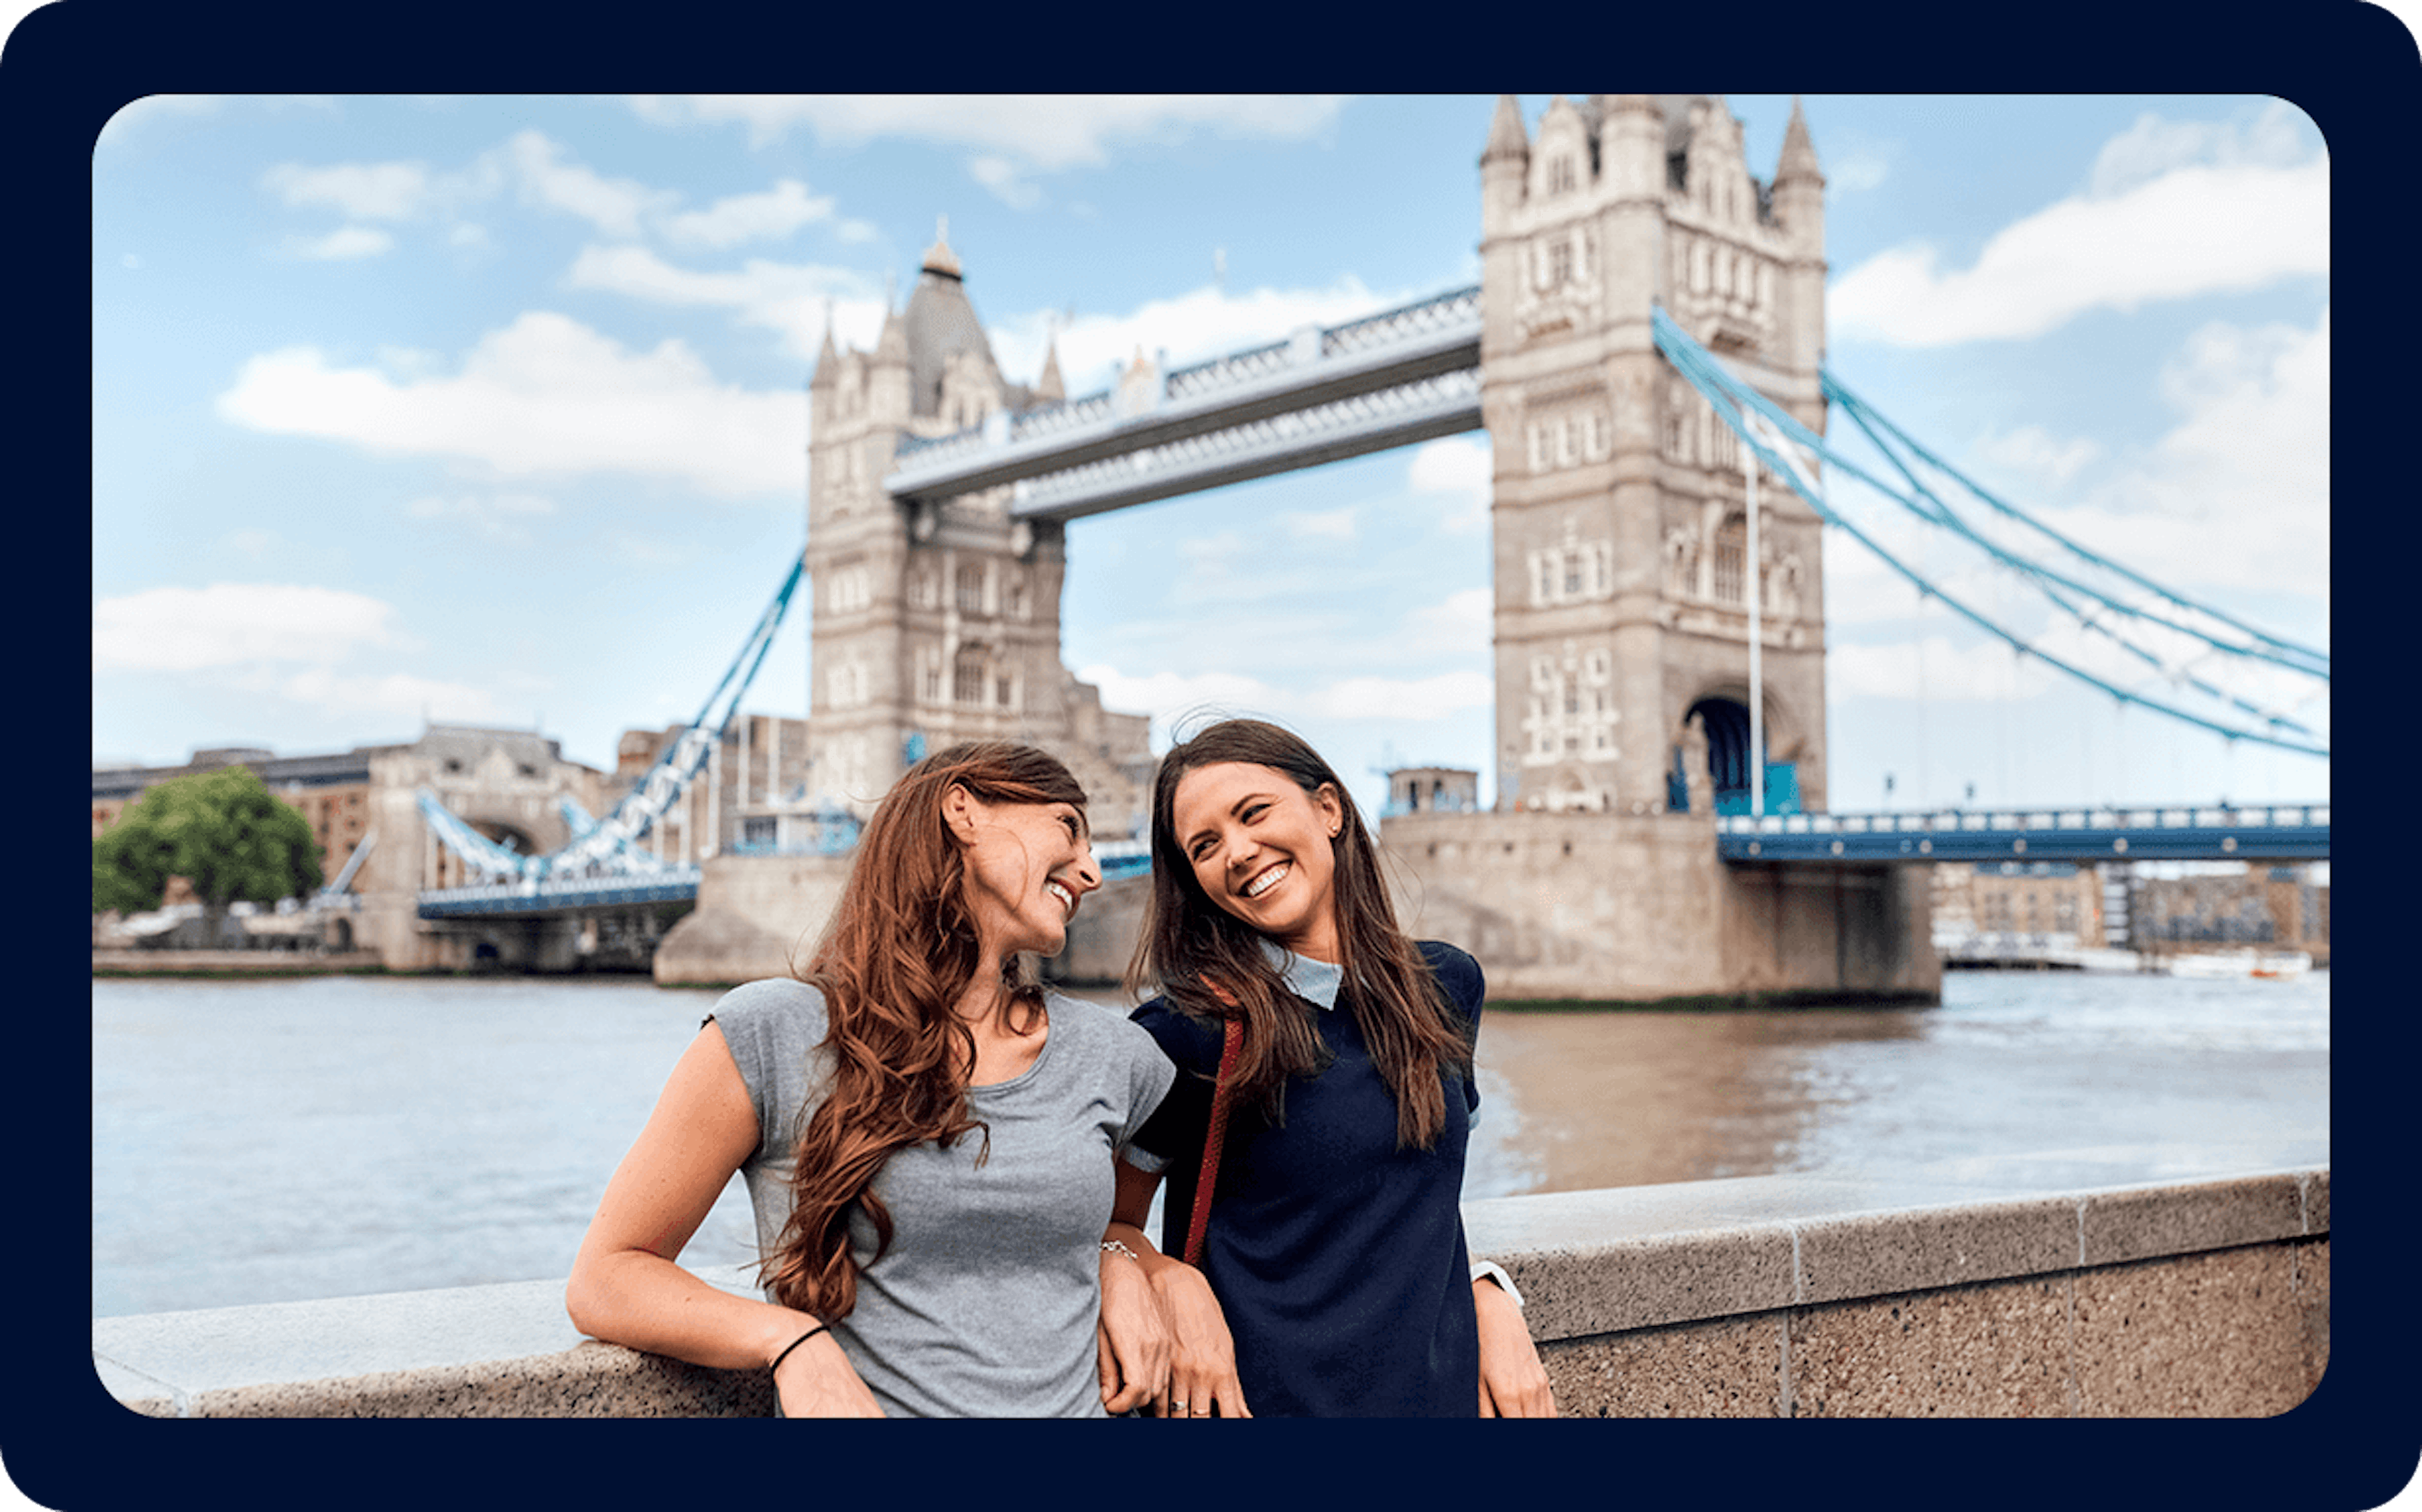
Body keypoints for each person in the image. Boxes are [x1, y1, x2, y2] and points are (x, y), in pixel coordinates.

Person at [566, 742, 1177, 1417]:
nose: (1092, 871)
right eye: (1069, 825)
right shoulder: (771, 1033)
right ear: (962, 809)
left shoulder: (1118, 1054)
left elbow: (1117, 1224)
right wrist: (788, 1338)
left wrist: (1131, 1262)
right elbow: (607, 1276)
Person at [1103, 718, 1557, 1417]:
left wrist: (1486, 1288)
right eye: (1205, 845)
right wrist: (1168, 1278)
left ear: (1329, 809)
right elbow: (1105, 1226)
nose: (1239, 852)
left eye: (1253, 813)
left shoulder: (1447, 985)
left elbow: (1413, 1189)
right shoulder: (1186, 1035)